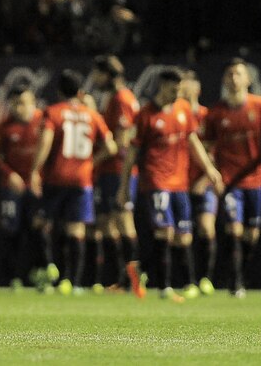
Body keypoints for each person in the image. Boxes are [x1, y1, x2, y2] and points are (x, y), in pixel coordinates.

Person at [118, 68, 222, 303]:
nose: (177, 94)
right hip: (156, 181)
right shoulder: (145, 114)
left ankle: (140, 270)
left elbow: (193, 140)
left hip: (180, 183)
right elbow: (132, 152)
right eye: (173, 90)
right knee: (164, 231)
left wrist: (209, 169)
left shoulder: (183, 109)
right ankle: (165, 287)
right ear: (161, 87)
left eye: (179, 90)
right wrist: (123, 187)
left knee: (183, 237)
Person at [204, 58, 261, 298]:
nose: (233, 78)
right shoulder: (216, 113)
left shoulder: (260, 105)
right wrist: (212, 172)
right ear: (223, 79)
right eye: (229, 74)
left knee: (252, 235)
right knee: (234, 229)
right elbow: (206, 148)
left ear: (248, 79)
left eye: (238, 74)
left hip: (255, 181)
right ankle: (235, 281)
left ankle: (242, 272)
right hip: (230, 183)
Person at [30, 69, 117, 296]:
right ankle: (73, 281)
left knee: (44, 223)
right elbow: (111, 147)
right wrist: (90, 162)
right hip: (81, 180)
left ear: (59, 91)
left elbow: (46, 142)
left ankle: (51, 268)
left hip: (56, 177)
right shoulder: (92, 115)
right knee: (76, 230)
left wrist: (35, 170)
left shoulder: (52, 112)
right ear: (80, 92)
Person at [0, 85, 56, 293]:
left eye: (24, 103)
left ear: (33, 103)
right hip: (12, 188)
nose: (20, 108)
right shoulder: (3, 126)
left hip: (37, 187)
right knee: (11, 232)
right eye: (16, 103)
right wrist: (10, 175)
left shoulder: (44, 124)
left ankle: (42, 276)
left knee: (39, 232)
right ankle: (13, 278)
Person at [90, 55, 145, 298]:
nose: (94, 78)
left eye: (97, 73)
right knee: (106, 223)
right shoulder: (116, 98)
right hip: (109, 171)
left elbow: (122, 141)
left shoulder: (122, 99)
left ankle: (134, 279)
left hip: (118, 170)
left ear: (108, 74)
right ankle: (120, 279)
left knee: (123, 221)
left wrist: (93, 161)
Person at [179, 70, 217, 296]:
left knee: (206, 228)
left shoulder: (206, 115)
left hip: (202, 183)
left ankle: (206, 279)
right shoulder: (177, 115)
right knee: (182, 234)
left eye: (187, 83)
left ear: (197, 88)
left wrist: (204, 178)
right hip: (180, 183)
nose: (183, 87)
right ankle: (189, 281)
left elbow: (215, 151)